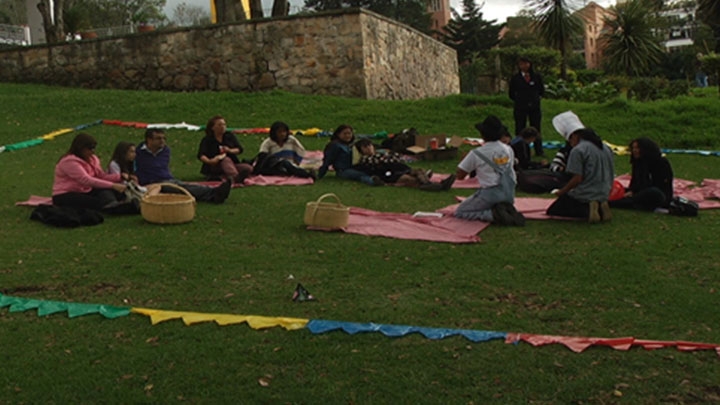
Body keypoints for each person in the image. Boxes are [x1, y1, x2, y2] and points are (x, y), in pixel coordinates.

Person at [454, 115, 525, 226]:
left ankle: (493, 215)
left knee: (461, 211)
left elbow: (460, 175)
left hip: (490, 193)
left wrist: (464, 161)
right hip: (509, 192)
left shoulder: (477, 153)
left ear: (482, 135)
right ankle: (503, 209)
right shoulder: (508, 149)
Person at [546, 111, 615, 223]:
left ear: (574, 136)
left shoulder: (578, 150)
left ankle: (589, 209)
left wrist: (562, 191)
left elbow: (577, 178)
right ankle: (600, 206)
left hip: (586, 193)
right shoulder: (606, 148)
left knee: (555, 209)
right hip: (604, 191)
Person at [136, 128, 232, 204]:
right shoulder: (138, 153)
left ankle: (212, 194)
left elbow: (161, 167)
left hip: (166, 179)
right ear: (149, 140)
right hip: (152, 182)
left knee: (184, 187)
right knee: (182, 188)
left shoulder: (165, 150)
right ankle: (213, 193)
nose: (162, 141)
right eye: (158, 138)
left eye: (163, 138)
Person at [52, 133, 139, 214]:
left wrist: (119, 177)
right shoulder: (69, 162)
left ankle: (115, 204)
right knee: (96, 202)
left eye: (94, 148)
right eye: (90, 148)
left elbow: (100, 175)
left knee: (106, 192)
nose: (93, 151)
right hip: (65, 194)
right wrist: (113, 185)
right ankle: (119, 207)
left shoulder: (92, 159)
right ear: (80, 148)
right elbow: (86, 180)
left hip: (85, 189)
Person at [353, 138, 456, 191]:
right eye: (365, 147)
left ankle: (430, 183)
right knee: (410, 179)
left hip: (400, 168)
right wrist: (388, 157)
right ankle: (436, 185)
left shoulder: (380, 153)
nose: (369, 148)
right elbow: (385, 161)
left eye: (369, 145)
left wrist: (389, 157)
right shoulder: (366, 159)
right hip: (389, 174)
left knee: (418, 171)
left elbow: (396, 157)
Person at [610, 137, 673, 211]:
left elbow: (659, 184)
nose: (634, 151)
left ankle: (615, 203)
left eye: (637, 148)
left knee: (653, 192)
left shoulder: (661, 162)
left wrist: (635, 192)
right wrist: (632, 190)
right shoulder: (638, 162)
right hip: (639, 191)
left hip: (657, 194)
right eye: (633, 148)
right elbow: (634, 182)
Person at [318, 124, 383, 186]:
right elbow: (327, 160)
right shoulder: (334, 145)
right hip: (343, 171)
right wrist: (320, 175)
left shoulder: (351, 145)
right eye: (345, 134)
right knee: (361, 174)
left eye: (349, 133)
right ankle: (372, 182)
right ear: (338, 134)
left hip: (354, 167)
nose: (347, 136)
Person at [197, 115, 253, 183]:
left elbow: (239, 149)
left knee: (248, 168)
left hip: (232, 164)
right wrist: (210, 161)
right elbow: (201, 155)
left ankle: (230, 175)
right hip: (215, 165)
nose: (222, 127)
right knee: (225, 160)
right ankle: (235, 177)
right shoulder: (207, 139)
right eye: (219, 125)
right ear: (212, 128)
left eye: (224, 124)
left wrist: (229, 150)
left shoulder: (229, 136)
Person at [509, 56, 545, 157]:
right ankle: (520, 150)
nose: (524, 66)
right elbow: (511, 93)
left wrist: (535, 99)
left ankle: (539, 150)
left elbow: (541, 90)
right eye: (521, 64)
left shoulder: (536, 76)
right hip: (520, 107)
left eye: (526, 63)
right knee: (520, 127)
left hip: (534, 107)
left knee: (536, 128)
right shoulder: (516, 78)